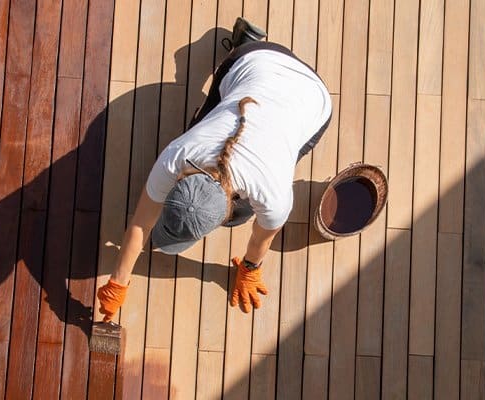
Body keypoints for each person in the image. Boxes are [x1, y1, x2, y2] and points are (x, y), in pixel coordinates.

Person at [97, 17, 332, 321]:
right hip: (256, 62)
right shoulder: (179, 154)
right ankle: (245, 44)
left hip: (313, 99)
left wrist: (249, 270)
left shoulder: (273, 195)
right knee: (211, 122)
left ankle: (245, 43)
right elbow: (141, 225)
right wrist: (117, 284)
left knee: (246, 209)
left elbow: (260, 241)